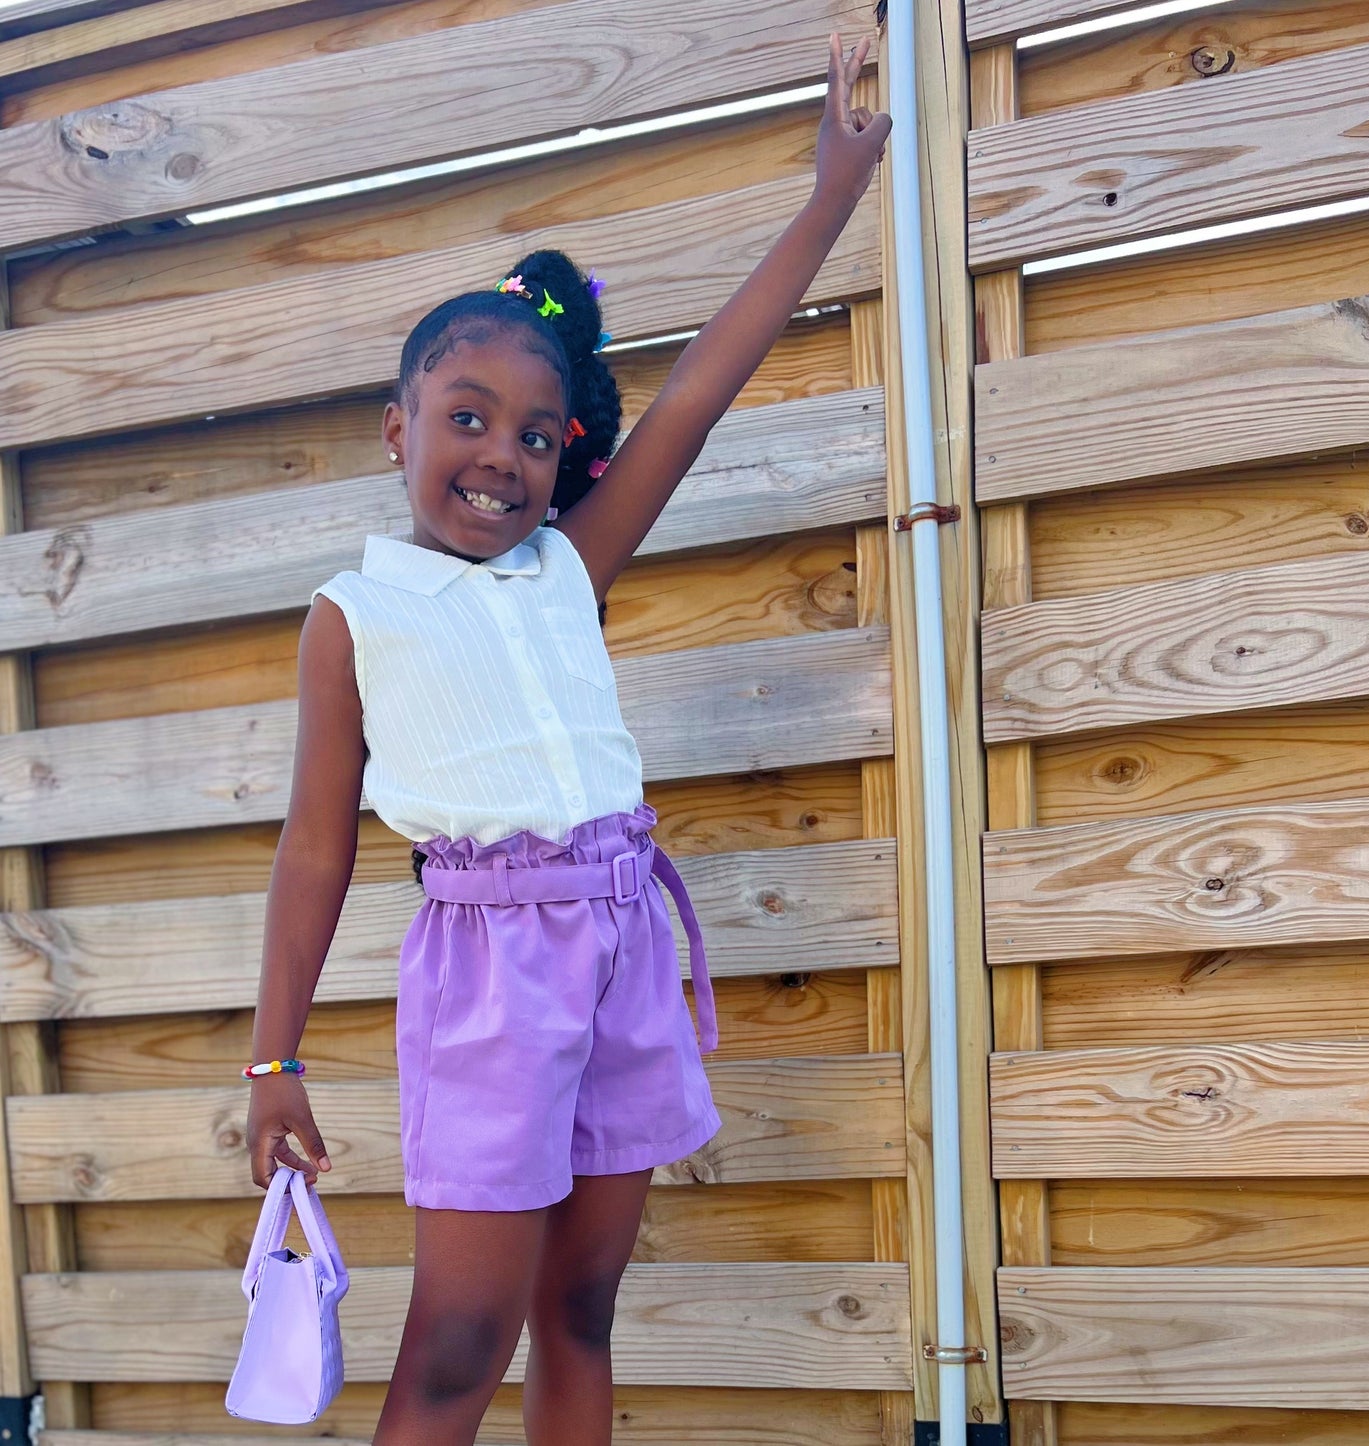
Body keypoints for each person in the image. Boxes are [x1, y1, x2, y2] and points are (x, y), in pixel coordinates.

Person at [244, 32, 890, 1445]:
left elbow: (699, 393)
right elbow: (312, 848)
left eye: (537, 437)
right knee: (457, 1335)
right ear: (396, 425)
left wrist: (832, 188)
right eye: (466, 418)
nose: (501, 456)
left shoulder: (567, 568)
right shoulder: (354, 615)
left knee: (579, 1311)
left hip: (623, 945)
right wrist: (271, 1059)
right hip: (487, 977)